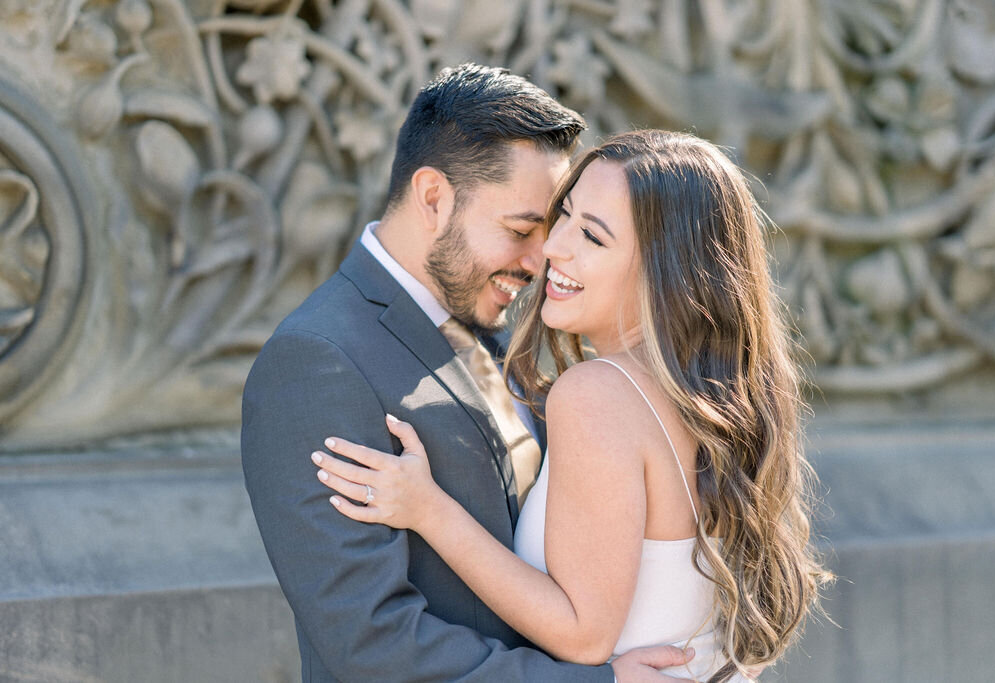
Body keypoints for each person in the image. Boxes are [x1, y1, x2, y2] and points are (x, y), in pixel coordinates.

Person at [313, 130, 830, 681]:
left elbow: (584, 634)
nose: (553, 247)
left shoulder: (598, 395)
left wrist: (426, 508)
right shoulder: (720, 400)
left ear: (666, 273)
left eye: (593, 237)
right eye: (566, 215)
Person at [241, 65, 697, 682]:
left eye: (559, 227)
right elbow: (371, 644)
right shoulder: (315, 362)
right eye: (521, 229)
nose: (543, 259)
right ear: (434, 197)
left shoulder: (502, 332)